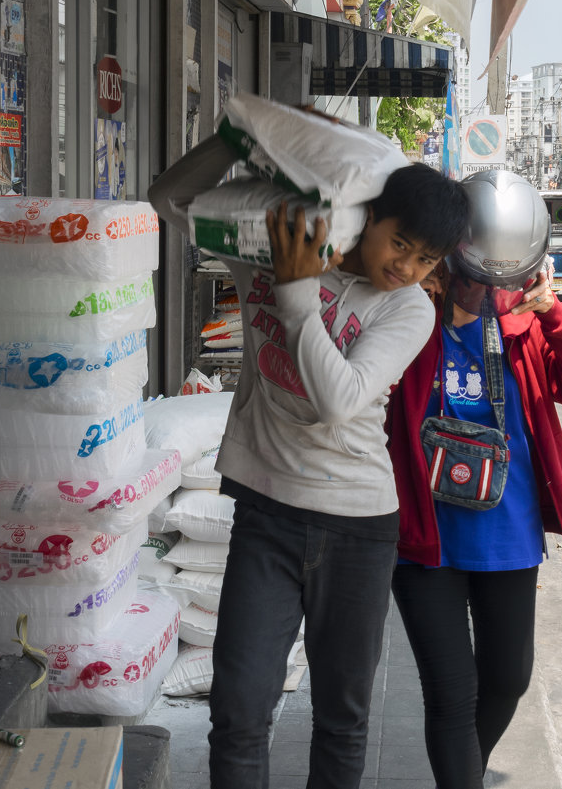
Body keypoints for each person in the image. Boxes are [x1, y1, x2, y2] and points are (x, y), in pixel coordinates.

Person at [150, 134, 471, 789]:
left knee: (341, 716)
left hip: (357, 524)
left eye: (425, 257)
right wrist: (236, 133)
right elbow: (170, 198)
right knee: (237, 708)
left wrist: (296, 296)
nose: (406, 266)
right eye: (399, 243)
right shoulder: (272, 250)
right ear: (368, 218)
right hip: (266, 512)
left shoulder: (407, 307)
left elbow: (339, 399)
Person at [384, 170, 562, 789]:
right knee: (452, 694)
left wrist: (557, 314)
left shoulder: (529, 325)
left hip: (508, 537)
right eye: (476, 283)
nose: (488, 298)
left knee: (509, 677)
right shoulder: (409, 318)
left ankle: (461, 773)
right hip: (425, 539)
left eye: (502, 285)